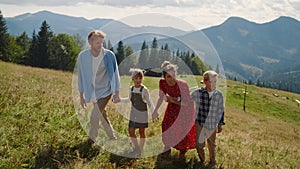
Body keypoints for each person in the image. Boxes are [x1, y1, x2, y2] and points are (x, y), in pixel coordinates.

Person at [77, 30, 120, 143]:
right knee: (102, 114)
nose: (100, 45)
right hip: (93, 91)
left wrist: (116, 93)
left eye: (101, 42)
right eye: (97, 43)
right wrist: (81, 96)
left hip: (106, 90)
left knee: (94, 115)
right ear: (90, 43)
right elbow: (81, 76)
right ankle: (112, 137)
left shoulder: (109, 55)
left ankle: (92, 139)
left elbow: (115, 74)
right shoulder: (83, 57)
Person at [153, 61, 196, 159]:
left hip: (186, 109)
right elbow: (161, 97)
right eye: (168, 76)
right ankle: (167, 148)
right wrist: (155, 111)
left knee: (182, 129)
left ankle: (182, 152)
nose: (171, 79)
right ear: (164, 76)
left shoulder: (182, 84)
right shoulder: (162, 83)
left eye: (173, 75)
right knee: (166, 124)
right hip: (173, 106)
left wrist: (171, 100)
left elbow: (186, 103)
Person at [117, 68, 155, 156]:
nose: (138, 80)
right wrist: (119, 99)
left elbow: (149, 102)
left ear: (142, 78)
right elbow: (128, 100)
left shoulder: (144, 90)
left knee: (142, 132)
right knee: (131, 131)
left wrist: (154, 112)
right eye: (136, 78)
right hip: (133, 113)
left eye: (140, 78)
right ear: (133, 79)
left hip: (142, 114)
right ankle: (137, 148)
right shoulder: (131, 89)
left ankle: (140, 150)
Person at [190, 70, 225, 166]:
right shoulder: (198, 92)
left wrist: (220, 124)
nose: (213, 84)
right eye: (211, 81)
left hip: (212, 124)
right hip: (200, 122)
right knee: (199, 144)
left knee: (211, 144)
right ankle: (202, 160)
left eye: (215, 81)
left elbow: (221, 110)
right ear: (205, 81)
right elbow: (187, 98)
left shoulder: (219, 95)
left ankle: (212, 161)